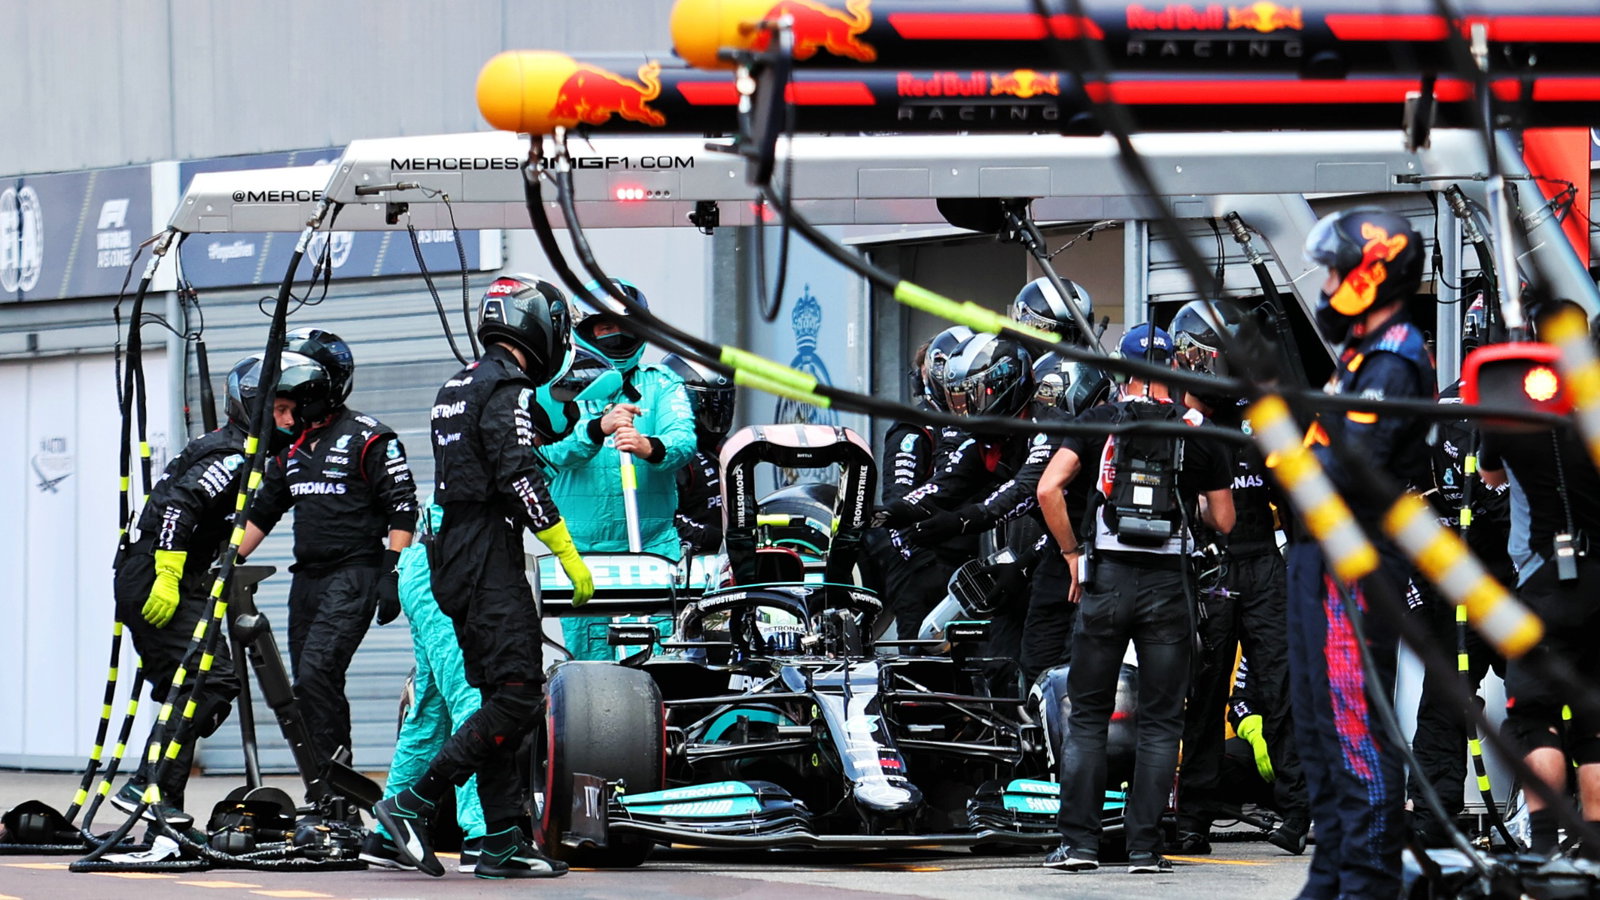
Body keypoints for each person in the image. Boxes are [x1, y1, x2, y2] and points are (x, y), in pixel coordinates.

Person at [374, 273, 593, 880]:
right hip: (485, 553)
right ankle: (411, 804)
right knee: (520, 695)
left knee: (499, 699)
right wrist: (567, 553)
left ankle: (501, 841)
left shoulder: (459, 384)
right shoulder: (507, 388)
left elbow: (500, 450)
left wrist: (578, 420)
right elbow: (520, 474)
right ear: (539, 328)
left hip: (450, 554)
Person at [1037, 323, 1235, 875]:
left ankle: (1078, 845)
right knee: (1161, 720)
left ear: (1122, 371)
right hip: (1168, 585)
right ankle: (1145, 849)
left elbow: (1047, 488)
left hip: (1106, 580)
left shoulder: (1099, 420)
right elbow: (1224, 518)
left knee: (1088, 717)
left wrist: (1073, 554)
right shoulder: (1198, 430)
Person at [111, 353, 328, 826]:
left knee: (190, 690)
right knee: (211, 681)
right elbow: (179, 506)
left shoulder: (246, 452)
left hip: (175, 576)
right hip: (157, 576)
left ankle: (161, 814)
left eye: (294, 413)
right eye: (281, 410)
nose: (290, 421)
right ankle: (145, 785)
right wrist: (167, 574)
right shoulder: (231, 454)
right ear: (253, 403)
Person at [1289, 207, 1433, 898]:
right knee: (1317, 734)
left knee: (1353, 734)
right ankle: (1332, 877)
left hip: (1354, 560)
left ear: (1373, 272)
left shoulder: (1395, 358)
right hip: (1316, 557)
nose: (1330, 281)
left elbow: (1347, 470)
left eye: (1339, 269)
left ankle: (1367, 882)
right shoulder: (1355, 358)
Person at [1166, 299, 1310, 856]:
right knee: (1202, 695)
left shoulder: (1264, 415)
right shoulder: (1177, 418)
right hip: (1208, 569)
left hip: (1264, 563)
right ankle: (1194, 817)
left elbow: (1296, 498)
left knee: (1282, 688)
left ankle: (1297, 813)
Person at [239, 329, 417, 769]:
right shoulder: (289, 447)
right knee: (305, 683)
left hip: (354, 573)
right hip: (307, 580)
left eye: (292, 395)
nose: (285, 407)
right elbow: (261, 515)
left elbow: (403, 509)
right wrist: (221, 563)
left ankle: (336, 784)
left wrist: (391, 572)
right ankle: (324, 788)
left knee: (319, 670)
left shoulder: (370, 437)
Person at [1478, 306, 1600, 860]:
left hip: (1541, 579)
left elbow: (1490, 473)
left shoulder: (1510, 396)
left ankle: (1543, 846)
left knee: (1533, 715)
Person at [878, 334, 1057, 684]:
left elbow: (1019, 493)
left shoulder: (1047, 427)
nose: (967, 408)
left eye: (974, 394)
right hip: (1040, 553)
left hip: (1081, 550)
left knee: (1041, 662)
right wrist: (886, 515)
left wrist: (957, 523)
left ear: (1001, 385)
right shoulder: (988, 439)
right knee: (1002, 664)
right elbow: (945, 486)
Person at [541, 279, 696, 661]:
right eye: (605, 326)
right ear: (585, 331)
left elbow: (684, 439)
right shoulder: (558, 387)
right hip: (584, 557)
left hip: (654, 549)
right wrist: (596, 429)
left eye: (624, 325)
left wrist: (649, 447)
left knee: (664, 660)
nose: (616, 334)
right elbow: (546, 450)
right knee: (592, 673)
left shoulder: (662, 384)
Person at [360, 500, 486, 874]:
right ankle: (482, 835)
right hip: (445, 571)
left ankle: (386, 838)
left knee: (429, 713)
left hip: (426, 569)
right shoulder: (504, 451)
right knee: (473, 700)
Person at [871, 326, 976, 641]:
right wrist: (926, 567)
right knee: (924, 667)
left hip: (971, 567)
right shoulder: (914, 428)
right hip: (925, 568)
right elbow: (898, 503)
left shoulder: (985, 425)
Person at [1018, 352, 1112, 685]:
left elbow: (1045, 491)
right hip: (1061, 555)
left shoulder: (1107, 432)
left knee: (1078, 665)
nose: (1045, 409)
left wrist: (1073, 553)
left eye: (1050, 398)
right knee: (1036, 662)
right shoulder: (1045, 442)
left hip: (1097, 559)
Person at [664, 353, 736, 557]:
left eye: (723, 401)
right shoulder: (670, 453)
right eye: (710, 403)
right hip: (688, 566)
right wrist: (716, 538)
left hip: (728, 560)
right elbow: (661, 520)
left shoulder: (727, 447)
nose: (718, 412)